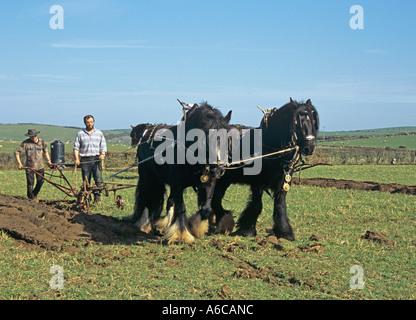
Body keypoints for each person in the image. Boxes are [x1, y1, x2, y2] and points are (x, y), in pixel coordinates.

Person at [73, 115, 107, 203]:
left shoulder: (99, 133)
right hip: (85, 159)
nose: (90, 124)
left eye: (91, 122)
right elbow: (76, 147)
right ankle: (86, 198)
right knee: (86, 180)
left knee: (98, 179)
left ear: (94, 122)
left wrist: (102, 154)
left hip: (96, 159)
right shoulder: (80, 134)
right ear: (85, 123)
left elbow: (103, 146)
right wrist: (77, 159)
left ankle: (97, 199)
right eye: (88, 122)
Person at [14, 128, 52, 202]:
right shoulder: (26, 143)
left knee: (41, 182)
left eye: (34, 136)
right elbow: (16, 152)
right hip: (29, 167)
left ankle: (34, 195)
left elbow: (46, 152)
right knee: (30, 184)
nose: (32, 138)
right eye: (31, 136)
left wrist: (49, 161)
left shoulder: (42, 143)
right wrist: (19, 163)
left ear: (36, 135)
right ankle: (30, 198)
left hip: (40, 166)